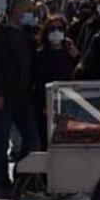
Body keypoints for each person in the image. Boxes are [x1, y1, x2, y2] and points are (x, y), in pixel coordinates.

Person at [0, 0, 40, 197]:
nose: (29, 14)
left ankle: (22, 179)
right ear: (16, 9)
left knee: (32, 140)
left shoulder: (24, 32)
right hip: (3, 95)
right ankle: (0, 183)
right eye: (27, 10)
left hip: (22, 94)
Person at [33, 14, 80, 148]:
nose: (56, 32)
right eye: (52, 29)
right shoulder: (41, 54)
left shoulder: (70, 52)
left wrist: (77, 57)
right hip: (47, 103)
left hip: (68, 102)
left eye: (60, 29)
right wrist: (44, 104)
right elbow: (39, 80)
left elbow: (78, 74)